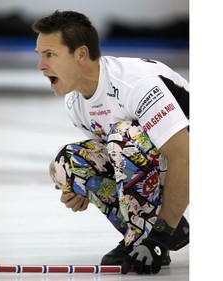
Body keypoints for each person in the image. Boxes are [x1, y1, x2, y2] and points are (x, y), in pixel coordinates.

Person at [32, 10, 189, 275]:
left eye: (49, 55)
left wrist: (159, 238)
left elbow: (184, 157)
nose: (40, 65)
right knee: (69, 164)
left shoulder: (136, 84)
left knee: (124, 138)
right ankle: (151, 233)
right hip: (165, 162)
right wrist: (82, 188)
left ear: (81, 54)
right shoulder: (75, 102)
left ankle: (154, 235)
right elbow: (114, 166)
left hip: (188, 160)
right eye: (40, 55)